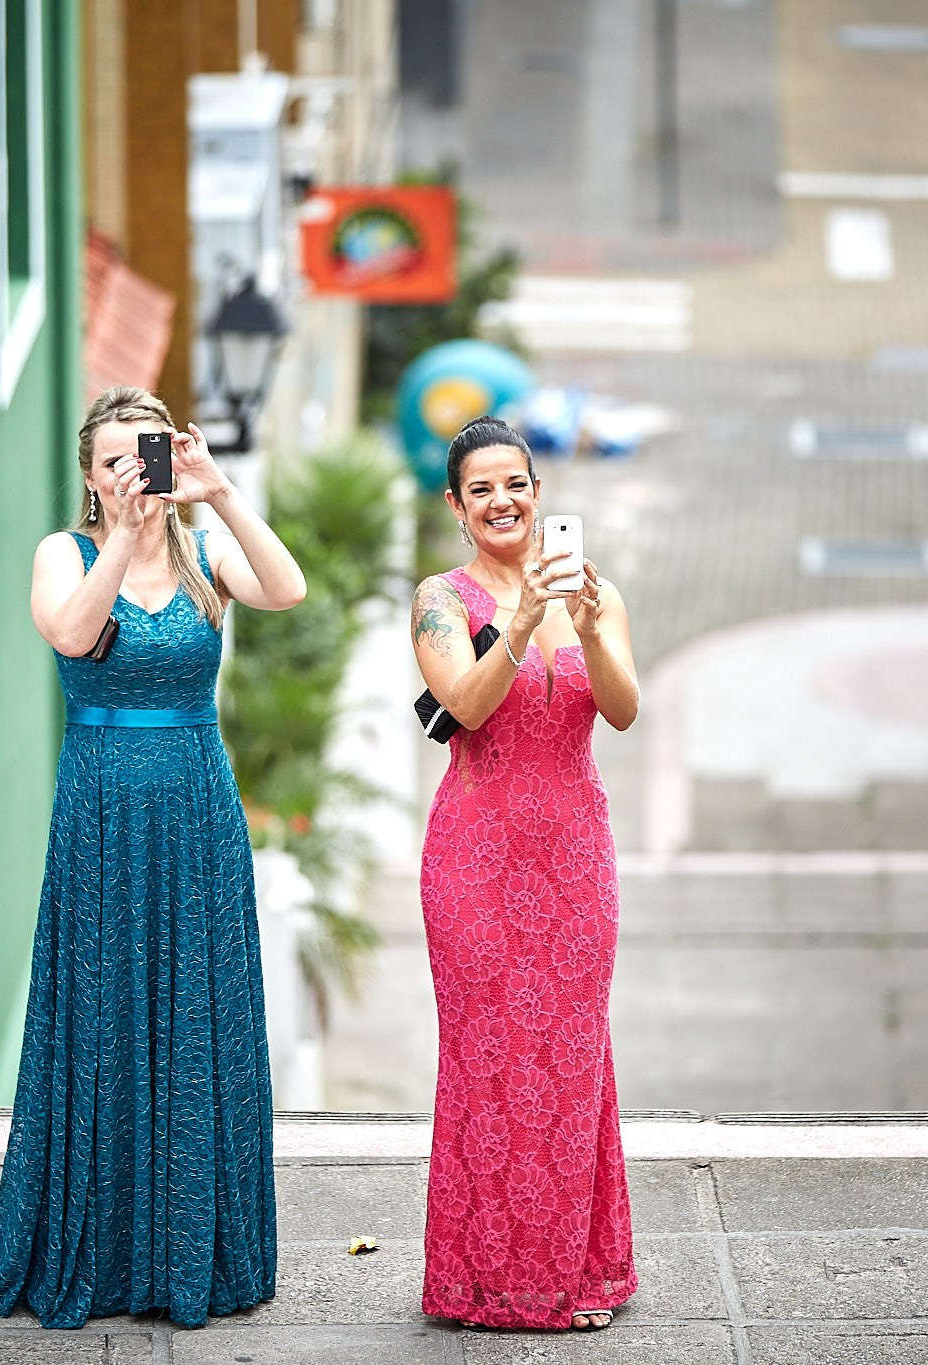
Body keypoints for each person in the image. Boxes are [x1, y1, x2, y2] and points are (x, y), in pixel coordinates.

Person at [0, 386, 307, 1329]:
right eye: (117, 459)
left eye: (149, 453)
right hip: (105, 804)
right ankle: (103, 1248)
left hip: (196, 802)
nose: (135, 471)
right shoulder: (64, 552)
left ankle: (198, 1248)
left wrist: (218, 490)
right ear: (88, 474)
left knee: (200, 1012)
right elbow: (73, 632)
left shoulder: (206, 552)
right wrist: (120, 531)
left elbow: (287, 589)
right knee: (105, 1008)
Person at [409, 416, 641, 1331]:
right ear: (458, 507)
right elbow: (462, 704)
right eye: (482, 489)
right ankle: (479, 1281)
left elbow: (623, 710)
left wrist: (588, 624)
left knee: (574, 1057)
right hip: (475, 861)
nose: (502, 501)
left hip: (577, 859)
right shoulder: (440, 598)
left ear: (538, 491)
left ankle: (577, 1273)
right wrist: (523, 618)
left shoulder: (596, 592)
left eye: (516, 484)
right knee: (485, 1062)